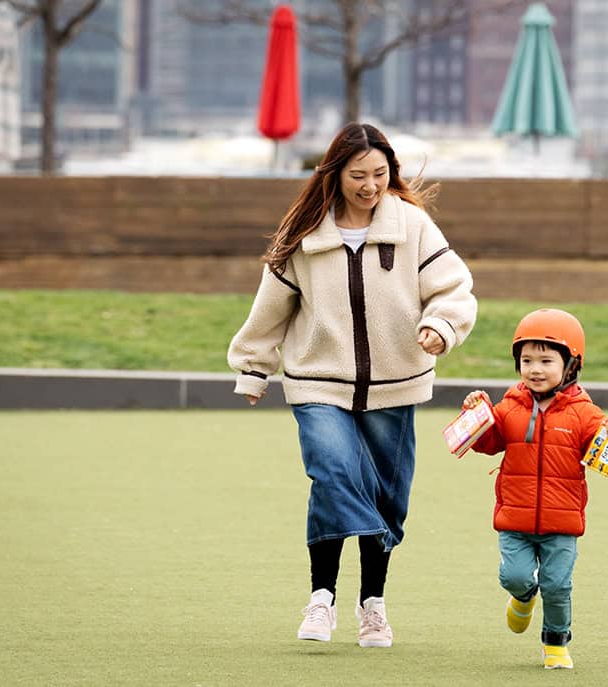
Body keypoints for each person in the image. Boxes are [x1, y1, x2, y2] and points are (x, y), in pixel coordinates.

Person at [228, 122, 477, 649]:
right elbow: (271, 308)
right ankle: (321, 599)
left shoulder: (413, 225)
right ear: (334, 174)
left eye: (380, 174)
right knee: (334, 472)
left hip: (396, 383)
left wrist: (442, 326)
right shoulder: (304, 234)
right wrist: (254, 366)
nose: (370, 185)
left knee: (388, 495)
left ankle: (373, 606)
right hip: (318, 381)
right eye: (358, 175)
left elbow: (454, 287)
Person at [460, 308, 608, 670]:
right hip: (515, 519)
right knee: (514, 576)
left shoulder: (585, 414)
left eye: (546, 360)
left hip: (562, 523)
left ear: (571, 366)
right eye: (527, 360)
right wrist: (477, 414)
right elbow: (488, 442)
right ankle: (523, 599)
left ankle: (555, 642)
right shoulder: (510, 406)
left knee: (557, 586)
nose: (535, 369)